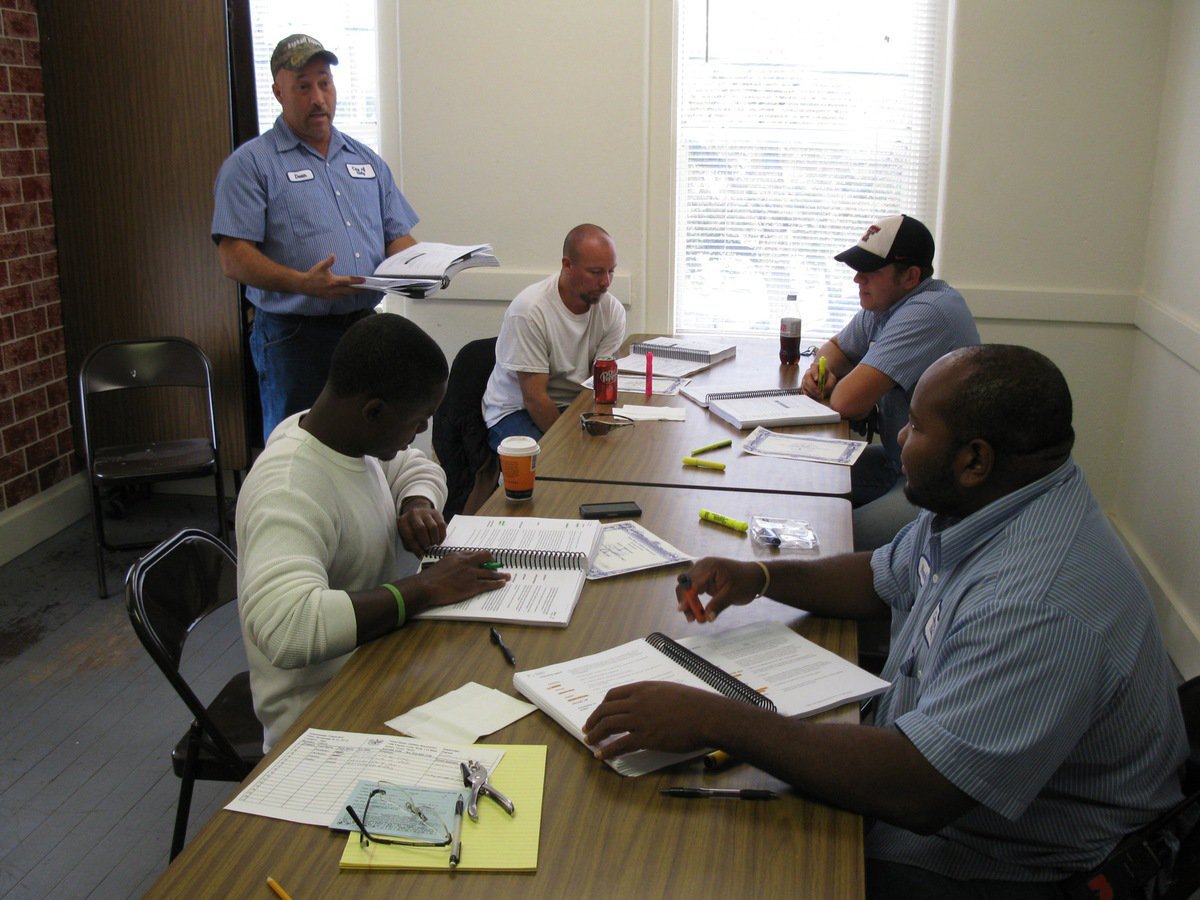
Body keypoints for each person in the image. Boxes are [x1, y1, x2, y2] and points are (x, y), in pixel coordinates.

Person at [583, 345, 1188, 897]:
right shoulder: (991, 500)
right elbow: (883, 574)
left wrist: (713, 717)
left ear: (974, 458)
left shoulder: (1039, 603)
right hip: (936, 786)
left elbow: (919, 791)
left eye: (919, 426)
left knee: (732, 867)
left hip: (1017, 864)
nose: (900, 435)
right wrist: (759, 578)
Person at [236, 314, 510, 750]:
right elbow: (287, 627)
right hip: (319, 719)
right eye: (419, 420)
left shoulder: (347, 438)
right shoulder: (288, 488)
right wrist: (422, 589)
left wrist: (416, 501)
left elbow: (415, 466)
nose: (423, 432)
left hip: (378, 662)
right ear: (374, 410)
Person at [212, 33, 420, 441]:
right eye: (303, 86)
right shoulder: (251, 164)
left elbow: (398, 236)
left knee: (368, 439)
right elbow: (233, 256)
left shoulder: (366, 160)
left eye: (324, 83)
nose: (318, 97)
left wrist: (421, 270)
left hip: (364, 330)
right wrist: (302, 283)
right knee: (298, 444)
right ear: (278, 92)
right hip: (294, 337)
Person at [800, 214, 979, 551]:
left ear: (911, 276)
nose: (857, 279)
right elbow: (835, 348)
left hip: (939, 483)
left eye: (869, 272)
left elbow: (846, 403)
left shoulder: (929, 312)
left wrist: (834, 385)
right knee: (802, 480)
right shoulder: (884, 304)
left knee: (831, 538)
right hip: (899, 460)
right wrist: (819, 372)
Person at [482, 224, 626, 448]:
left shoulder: (612, 311)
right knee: (551, 466)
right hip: (518, 410)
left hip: (575, 404)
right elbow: (535, 399)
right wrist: (571, 447)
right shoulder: (529, 311)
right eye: (596, 272)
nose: (606, 282)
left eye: (611, 271)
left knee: (612, 454)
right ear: (567, 265)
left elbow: (602, 388)